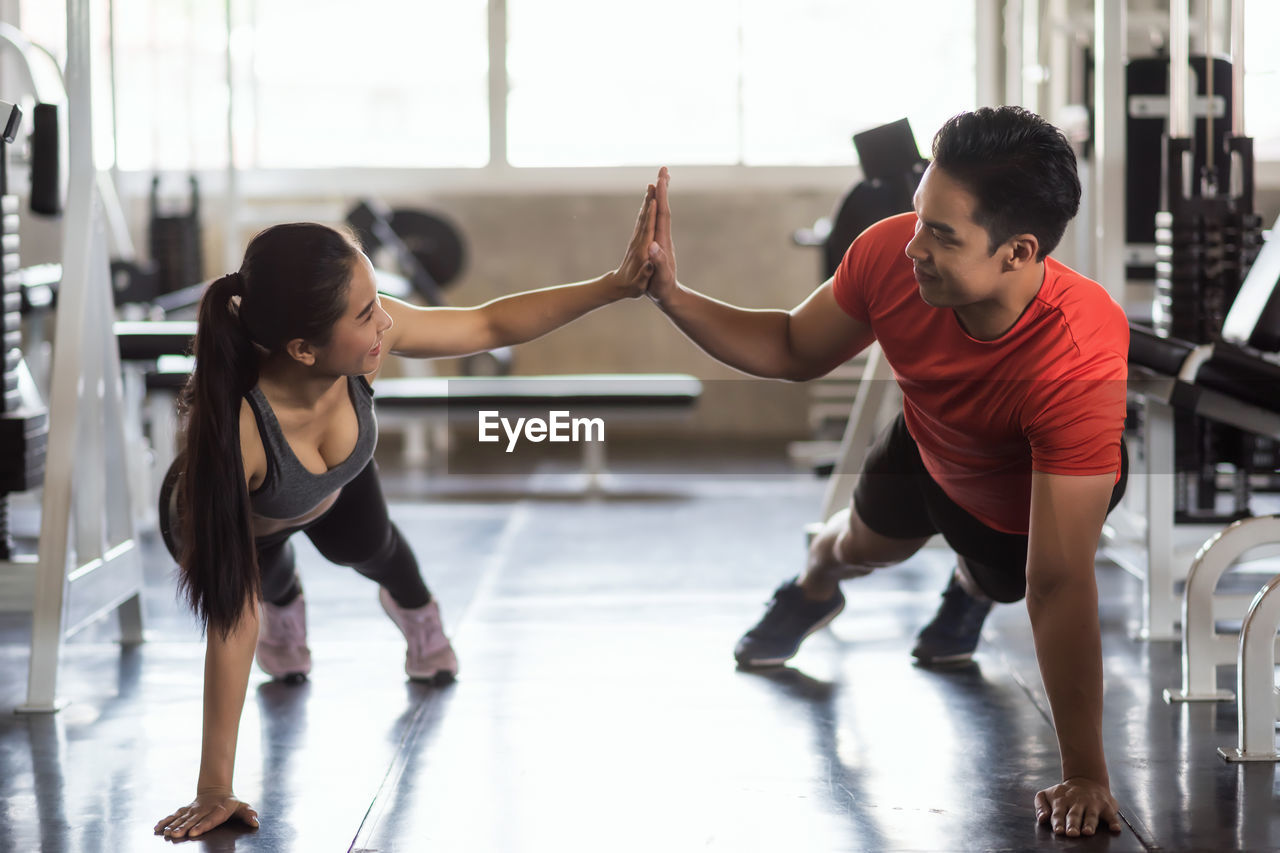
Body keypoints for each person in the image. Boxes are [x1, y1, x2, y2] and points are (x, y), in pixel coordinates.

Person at [643, 106, 1128, 838]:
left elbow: (1058, 580)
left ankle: (967, 587)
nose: (914, 247)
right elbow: (790, 347)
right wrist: (671, 295)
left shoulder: (1076, 351)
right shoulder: (888, 255)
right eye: (917, 216)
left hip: (1020, 493)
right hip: (927, 446)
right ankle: (811, 589)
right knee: (850, 548)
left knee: (1008, 577)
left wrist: (1087, 771)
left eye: (943, 234)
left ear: (1018, 252)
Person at [154, 187, 657, 840]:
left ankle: (418, 615)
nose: (385, 325)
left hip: (332, 484)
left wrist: (613, 287)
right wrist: (214, 788)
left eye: (376, 303)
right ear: (304, 350)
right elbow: (229, 613)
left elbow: (488, 324)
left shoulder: (359, 339)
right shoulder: (243, 433)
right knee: (266, 585)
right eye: (366, 315)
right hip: (241, 523)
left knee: (371, 545)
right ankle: (289, 610)